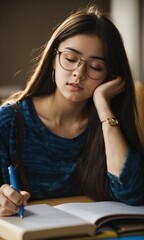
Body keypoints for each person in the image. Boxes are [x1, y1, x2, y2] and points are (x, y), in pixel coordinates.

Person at [0, 4, 144, 217]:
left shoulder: (107, 124)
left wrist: (103, 105)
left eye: (95, 67)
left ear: (109, 75)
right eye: (70, 58)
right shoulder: (9, 121)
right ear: (53, 60)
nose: (79, 73)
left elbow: (133, 193)